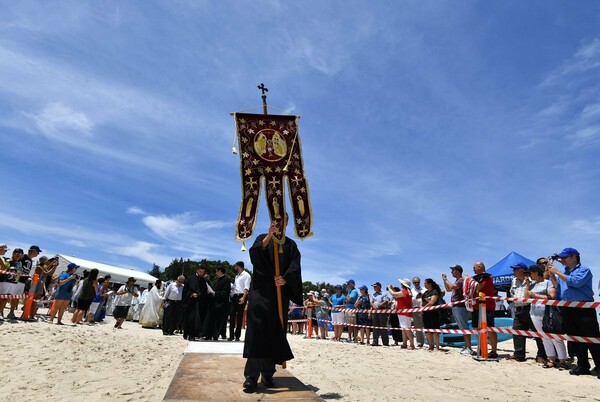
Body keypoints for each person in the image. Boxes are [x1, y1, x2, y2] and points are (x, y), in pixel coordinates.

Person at [243, 217, 302, 391]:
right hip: (260, 294)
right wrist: (269, 235)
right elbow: (255, 255)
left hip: (279, 295)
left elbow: (295, 267)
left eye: (282, 220)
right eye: (276, 220)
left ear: (287, 222)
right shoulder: (262, 238)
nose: (279, 223)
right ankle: (251, 376)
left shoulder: (291, 245)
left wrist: (285, 279)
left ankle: (268, 373)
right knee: (257, 332)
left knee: (275, 332)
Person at [548, 248, 600, 377]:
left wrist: (557, 272)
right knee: (575, 339)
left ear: (574, 257)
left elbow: (575, 282)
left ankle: (599, 367)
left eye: (565, 257)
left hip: (584, 309)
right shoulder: (564, 272)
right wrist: (552, 273)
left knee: (592, 339)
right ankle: (583, 366)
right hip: (568, 309)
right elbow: (558, 287)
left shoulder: (584, 270)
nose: (563, 260)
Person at [526, 264, 568, 369]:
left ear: (536, 272)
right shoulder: (532, 285)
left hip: (548, 314)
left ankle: (562, 360)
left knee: (555, 338)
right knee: (544, 338)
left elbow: (552, 296)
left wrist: (535, 296)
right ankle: (551, 359)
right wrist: (527, 285)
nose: (529, 275)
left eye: (530, 273)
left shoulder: (548, 283)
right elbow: (526, 297)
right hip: (535, 314)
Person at [507, 262, 546, 363]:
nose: (513, 271)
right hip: (518, 309)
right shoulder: (514, 280)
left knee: (537, 332)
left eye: (515, 269)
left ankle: (542, 355)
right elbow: (512, 293)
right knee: (517, 331)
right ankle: (519, 354)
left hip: (531, 308)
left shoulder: (532, 280)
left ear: (522, 270)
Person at [442, 265, 472, 355]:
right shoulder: (457, 281)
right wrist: (444, 280)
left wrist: (446, 279)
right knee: (462, 327)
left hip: (460, 307)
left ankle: (469, 347)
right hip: (456, 306)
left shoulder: (461, 280)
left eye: (453, 270)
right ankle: (467, 346)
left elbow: (451, 287)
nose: (451, 272)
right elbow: (448, 289)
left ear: (458, 271)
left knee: (464, 327)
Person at [471, 261, 498, 358]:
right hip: (477, 306)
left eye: (474, 267)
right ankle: (482, 348)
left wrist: (470, 283)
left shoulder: (486, 277)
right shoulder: (478, 278)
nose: (473, 269)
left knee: (490, 328)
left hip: (487, 307)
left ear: (480, 267)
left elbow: (477, 288)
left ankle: (494, 351)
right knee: (476, 327)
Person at [183, 266, 211, 341]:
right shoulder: (189, 279)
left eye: (203, 272)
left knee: (198, 320)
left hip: (200, 303)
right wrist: (191, 294)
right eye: (200, 272)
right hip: (191, 302)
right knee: (191, 318)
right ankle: (190, 335)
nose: (202, 273)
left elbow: (205, 291)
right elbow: (185, 291)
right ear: (197, 271)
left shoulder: (204, 280)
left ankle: (196, 334)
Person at [388, 278, 414, 349]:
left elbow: (394, 294)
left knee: (407, 328)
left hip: (405, 312)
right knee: (403, 328)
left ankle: (412, 344)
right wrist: (392, 289)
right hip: (402, 312)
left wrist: (389, 288)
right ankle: (404, 343)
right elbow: (396, 294)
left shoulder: (405, 291)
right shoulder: (406, 291)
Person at [229, 261, 251, 342]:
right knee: (232, 315)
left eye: (235, 266)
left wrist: (244, 298)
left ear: (238, 266)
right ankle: (231, 336)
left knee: (239, 317)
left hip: (241, 296)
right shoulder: (236, 276)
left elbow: (246, 288)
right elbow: (235, 287)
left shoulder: (247, 275)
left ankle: (237, 336)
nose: (234, 268)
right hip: (234, 296)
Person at [422, 278, 442, 351]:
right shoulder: (425, 293)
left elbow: (432, 302)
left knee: (435, 331)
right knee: (427, 330)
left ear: (429, 284)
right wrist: (421, 308)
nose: (424, 284)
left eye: (425, 283)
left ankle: (437, 347)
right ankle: (430, 346)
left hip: (434, 313)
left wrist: (423, 308)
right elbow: (422, 302)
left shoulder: (434, 292)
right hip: (426, 314)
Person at [5, 248, 25, 320]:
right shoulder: (8, 260)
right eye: (16, 252)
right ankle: (1, 312)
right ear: (13, 253)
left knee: (12, 298)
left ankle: (11, 313)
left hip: (15, 282)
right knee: (4, 298)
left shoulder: (20, 263)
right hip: (6, 281)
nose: (18, 254)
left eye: (20, 253)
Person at [211, 267, 230, 340]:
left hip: (222, 304)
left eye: (216, 271)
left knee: (219, 320)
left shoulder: (226, 279)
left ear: (220, 271)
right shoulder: (217, 280)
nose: (215, 273)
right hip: (216, 303)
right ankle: (219, 334)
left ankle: (216, 335)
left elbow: (225, 292)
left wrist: (215, 293)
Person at [369, 282, 391, 346]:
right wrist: (374, 307)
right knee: (375, 327)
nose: (374, 288)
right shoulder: (372, 294)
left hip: (382, 311)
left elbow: (385, 301)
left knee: (383, 326)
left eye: (375, 286)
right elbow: (371, 302)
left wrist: (378, 306)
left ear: (379, 287)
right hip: (374, 311)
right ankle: (375, 342)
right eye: (373, 286)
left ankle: (385, 342)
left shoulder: (384, 294)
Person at [411, 277, 425, 347]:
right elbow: (410, 301)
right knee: (418, 326)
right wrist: (416, 297)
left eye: (418, 282)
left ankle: (430, 342)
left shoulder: (424, 289)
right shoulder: (411, 291)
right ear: (413, 283)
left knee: (427, 325)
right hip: (415, 309)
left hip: (425, 308)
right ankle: (420, 342)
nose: (416, 283)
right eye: (415, 282)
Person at [0, 243, 12, 320]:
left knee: (3, 297)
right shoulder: (1, 258)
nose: (6, 252)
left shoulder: (2, 258)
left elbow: (6, 268)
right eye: (5, 250)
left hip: (2, 279)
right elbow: (5, 267)